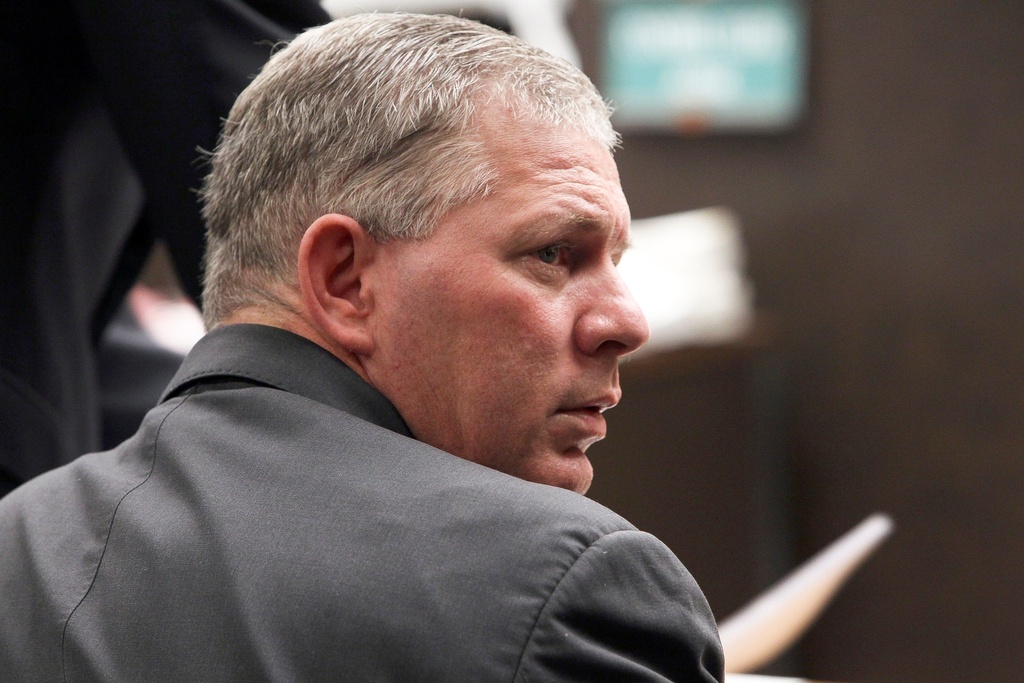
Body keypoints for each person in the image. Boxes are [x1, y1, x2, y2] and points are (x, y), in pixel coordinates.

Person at [0, 13, 724, 681]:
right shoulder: (571, 588)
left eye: (616, 262)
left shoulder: (16, 548)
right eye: (555, 253)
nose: (628, 322)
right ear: (344, 278)